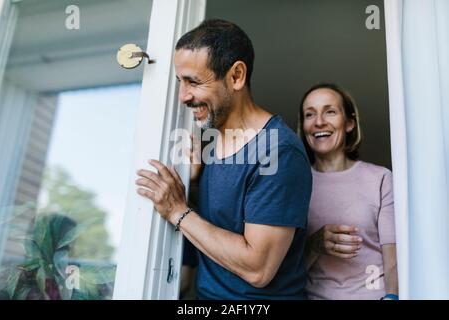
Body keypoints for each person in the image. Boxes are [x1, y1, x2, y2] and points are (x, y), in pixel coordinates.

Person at [135, 19, 312, 299]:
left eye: (194, 81)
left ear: (236, 76)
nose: (183, 96)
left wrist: (176, 211)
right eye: (180, 82)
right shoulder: (213, 143)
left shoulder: (278, 151)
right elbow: (221, 223)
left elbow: (258, 268)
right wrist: (193, 186)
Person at [298, 83, 399, 300]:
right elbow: (285, 270)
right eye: (309, 114)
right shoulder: (294, 184)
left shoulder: (380, 179)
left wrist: (392, 297)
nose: (319, 122)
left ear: (350, 123)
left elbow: (392, 259)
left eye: (330, 111)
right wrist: (314, 245)